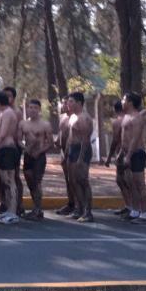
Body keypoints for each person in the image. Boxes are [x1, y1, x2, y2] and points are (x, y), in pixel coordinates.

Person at [0, 91, 21, 224]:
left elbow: (2, 135)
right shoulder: (4, 113)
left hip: (8, 149)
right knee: (5, 181)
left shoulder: (8, 113)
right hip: (3, 150)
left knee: (9, 181)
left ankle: (13, 212)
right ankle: (9, 209)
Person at [119, 92, 146, 223]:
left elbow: (135, 139)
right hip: (127, 153)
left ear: (130, 102)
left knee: (139, 184)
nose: (122, 101)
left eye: (124, 100)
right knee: (130, 183)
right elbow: (124, 138)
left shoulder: (137, 118)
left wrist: (129, 155)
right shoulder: (126, 116)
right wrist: (121, 152)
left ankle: (144, 213)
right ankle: (135, 210)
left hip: (136, 153)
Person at [21, 99, 52, 220]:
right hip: (28, 156)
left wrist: (39, 151)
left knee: (37, 182)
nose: (32, 110)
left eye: (35, 108)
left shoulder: (45, 125)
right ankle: (35, 206)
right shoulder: (23, 124)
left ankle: (38, 209)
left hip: (39, 156)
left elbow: (50, 143)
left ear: (39, 109)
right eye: (30, 107)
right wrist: (25, 148)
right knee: (30, 182)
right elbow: (18, 139)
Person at [66, 92, 94, 223]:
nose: (68, 104)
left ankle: (88, 212)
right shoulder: (72, 117)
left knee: (83, 180)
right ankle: (79, 208)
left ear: (79, 103)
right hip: (72, 150)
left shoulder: (84, 118)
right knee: (73, 180)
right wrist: (67, 153)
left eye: (71, 101)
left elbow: (85, 140)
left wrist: (81, 158)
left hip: (81, 150)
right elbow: (70, 137)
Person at [103, 101, 131, 215]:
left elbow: (115, 140)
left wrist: (109, 157)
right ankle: (129, 205)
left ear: (115, 109)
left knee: (122, 180)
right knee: (125, 180)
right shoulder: (129, 119)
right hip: (129, 151)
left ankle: (131, 206)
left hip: (121, 152)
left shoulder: (118, 121)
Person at [2, 87, 25, 216]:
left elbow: (19, 132)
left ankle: (18, 204)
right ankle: (5, 202)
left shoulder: (16, 112)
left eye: (9, 96)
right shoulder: (4, 110)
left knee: (14, 176)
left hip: (14, 147)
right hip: (2, 147)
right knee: (2, 177)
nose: (7, 98)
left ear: (14, 97)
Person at [55, 100, 75, 216]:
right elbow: (61, 132)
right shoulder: (62, 117)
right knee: (68, 180)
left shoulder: (75, 118)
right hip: (63, 152)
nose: (64, 105)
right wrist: (57, 140)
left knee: (75, 180)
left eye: (66, 102)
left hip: (72, 152)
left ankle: (79, 205)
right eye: (62, 103)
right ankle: (71, 203)